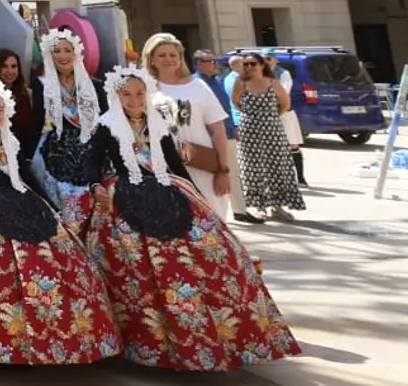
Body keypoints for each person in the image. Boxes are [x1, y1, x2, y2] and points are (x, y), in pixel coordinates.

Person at [85, 65, 300, 370]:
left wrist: (195, 196)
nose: (133, 100)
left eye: (139, 93)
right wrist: (97, 187)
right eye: (126, 95)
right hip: (125, 195)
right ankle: (149, 342)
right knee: (136, 265)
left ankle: (222, 333)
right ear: (115, 96)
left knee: (213, 250)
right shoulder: (107, 125)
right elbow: (92, 162)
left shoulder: (157, 121)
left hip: (167, 189)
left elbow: (174, 164)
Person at [0, 80, 120, 365]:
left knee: (49, 262)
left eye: (0, 110)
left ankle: (55, 336)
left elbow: (28, 175)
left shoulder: (9, 139)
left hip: (23, 201)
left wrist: (50, 204)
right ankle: (1, 341)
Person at [143, 33, 234, 220]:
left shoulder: (197, 86)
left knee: (212, 225)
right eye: (161, 55)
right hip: (163, 170)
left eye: (173, 54)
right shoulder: (143, 89)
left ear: (180, 58)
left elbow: (218, 130)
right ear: (151, 59)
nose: (168, 59)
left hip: (202, 165)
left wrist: (223, 171)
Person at [32, 28, 103, 224]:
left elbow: (106, 123)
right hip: (56, 154)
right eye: (57, 50)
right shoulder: (42, 86)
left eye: (67, 50)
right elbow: (38, 122)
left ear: (76, 53)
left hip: (92, 153)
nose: (63, 56)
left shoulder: (95, 86)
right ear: (49, 54)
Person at [231, 52, 304, 222]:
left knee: (276, 166)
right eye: (246, 64)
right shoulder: (240, 82)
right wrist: (252, 116)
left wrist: (269, 116)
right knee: (252, 167)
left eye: (252, 64)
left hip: (273, 129)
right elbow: (235, 101)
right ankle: (259, 206)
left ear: (262, 65)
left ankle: (277, 207)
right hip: (249, 129)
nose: (248, 67)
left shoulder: (273, 83)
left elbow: (285, 104)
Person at [0, 47, 41, 169]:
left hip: (24, 161)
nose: (10, 71)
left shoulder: (28, 96)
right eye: (5, 66)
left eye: (14, 66)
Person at [193, 49, 237, 139]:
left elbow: (226, 106)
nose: (216, 64)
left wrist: (233, 127)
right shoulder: (193, 83)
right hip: (209, 136)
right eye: (211, 61)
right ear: (199, 63)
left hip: (228, 132)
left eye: (216, 61)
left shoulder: (219, 80)